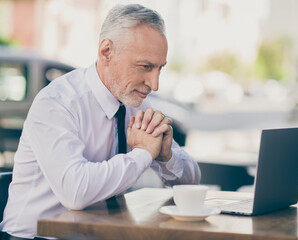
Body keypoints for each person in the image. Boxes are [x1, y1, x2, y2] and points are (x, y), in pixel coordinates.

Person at [0, 4, 201, 240]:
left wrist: (167, 156)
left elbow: (192, 181)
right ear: (106, 52)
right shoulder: (57, 102)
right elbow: (75, 192)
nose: (154, 84)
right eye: (145, 66)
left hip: (97, 233)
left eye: (159, 68)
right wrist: (144, 153)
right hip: (34, 237)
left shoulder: (136, 104)